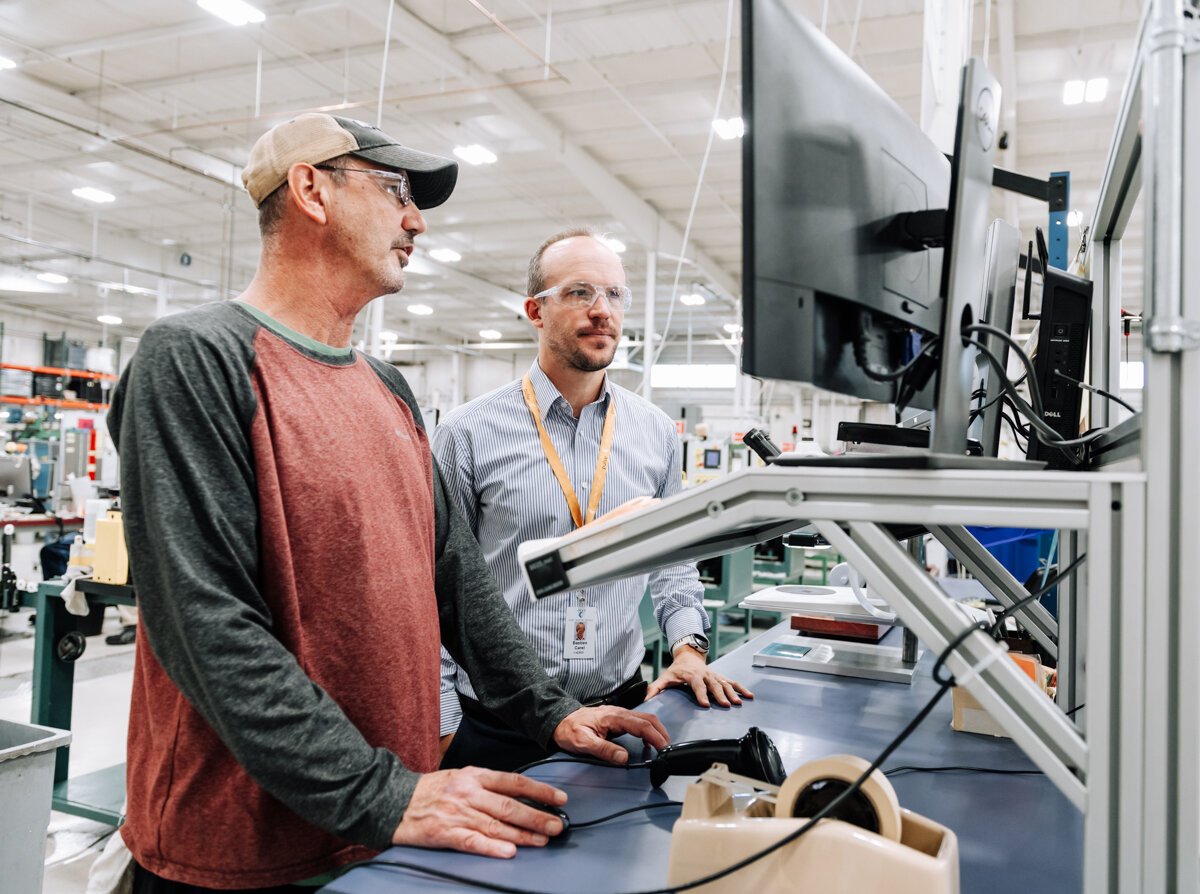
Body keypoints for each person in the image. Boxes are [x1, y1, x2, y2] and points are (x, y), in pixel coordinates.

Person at [108, 115, 668, 893]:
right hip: (245, 849)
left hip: (385, 833)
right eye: (396, 190)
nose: (416, 219)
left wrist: (547, 712)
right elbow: (204, 620)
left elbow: (457, 578)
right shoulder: (196, 359)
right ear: (310, 188)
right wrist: (378, 792)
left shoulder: (388, 390)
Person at [433, 228, 753, 772]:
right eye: (580, 292)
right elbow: (438, 590)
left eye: (614, 294)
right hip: (501, 720)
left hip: (620, 706)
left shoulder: (654, 431)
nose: (602, 310)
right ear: (535, 311)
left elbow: (672, 563)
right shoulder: (466, 432)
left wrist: (688, 649)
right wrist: (442, 726)